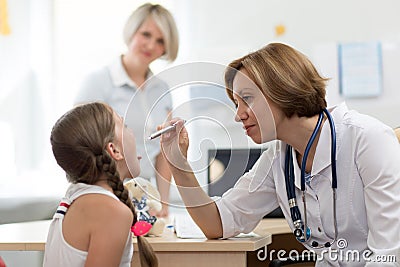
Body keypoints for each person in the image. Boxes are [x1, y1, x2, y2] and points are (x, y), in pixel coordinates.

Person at [159, 43, 400, 266]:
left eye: (248, 99)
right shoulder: (278, 158)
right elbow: (217, 223)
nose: (238, 115)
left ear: (283, 87)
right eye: (236, 104)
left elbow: (388, 255)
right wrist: (179, 163)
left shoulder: (367, 139)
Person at [74, 3, 179, 217]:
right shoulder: (98, 82)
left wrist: (163, 204)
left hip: (144, 195)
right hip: (103, 193)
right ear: (132, 32)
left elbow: (164, 152)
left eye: (160, 41)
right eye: (146, 34)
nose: (151, 45)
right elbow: (77, 141)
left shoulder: (163, 90)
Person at [44, 102, 158, 267]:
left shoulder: (76, 196)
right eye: (124, 125)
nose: (131, 131)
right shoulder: (111, 212)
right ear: (114, 150)